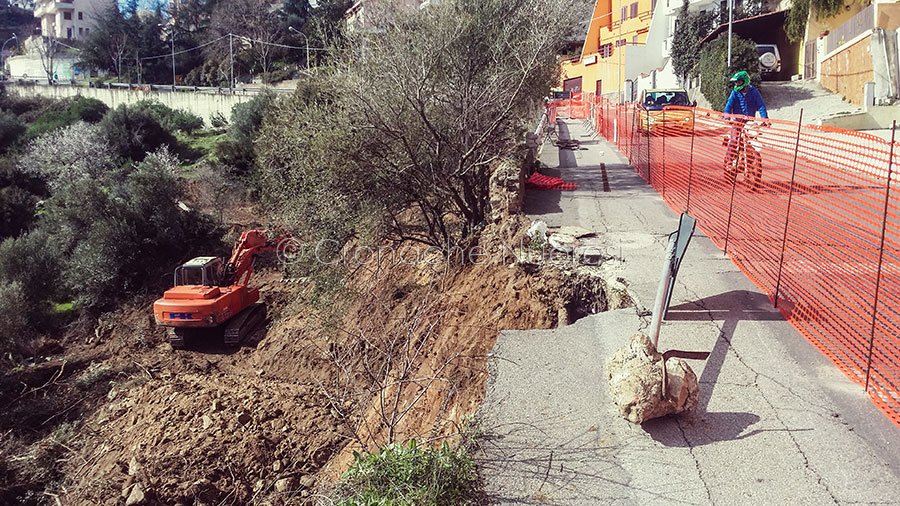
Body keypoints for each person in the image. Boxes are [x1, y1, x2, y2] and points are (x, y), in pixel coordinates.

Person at [723, 70, 768, 167]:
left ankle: (751, 160)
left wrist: (765, 119)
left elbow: (761, 106)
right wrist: (727, 116)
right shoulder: (735, 92)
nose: (737, 84)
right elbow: (729, 105)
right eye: (736, 82)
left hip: (750, 122)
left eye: (739, 82)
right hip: (737, 122)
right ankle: (729, 162)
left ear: (745, 81)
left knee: (754, 138)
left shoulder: (754, 92)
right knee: (734, 140)